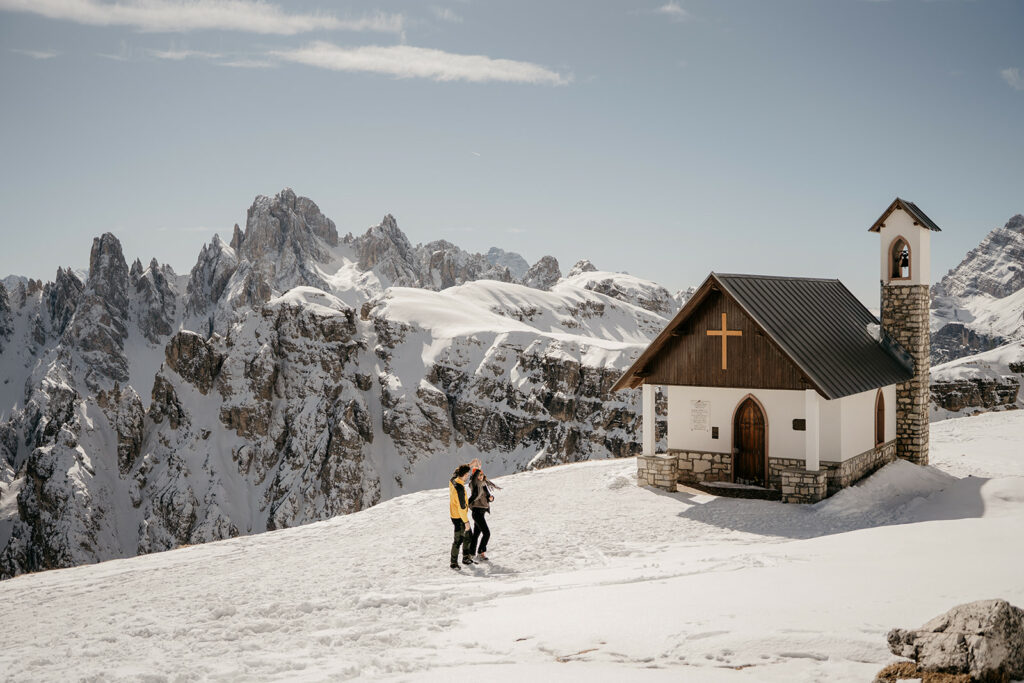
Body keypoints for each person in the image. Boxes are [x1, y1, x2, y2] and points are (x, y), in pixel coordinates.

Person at [448, 465, 475, 569]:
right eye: (467, 474)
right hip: (459, 517)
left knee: (468, 536)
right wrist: (466, 522)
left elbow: (456, 471)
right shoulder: (459, 489)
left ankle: (465, 557)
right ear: (463, 475)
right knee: (459, 539)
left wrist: (470, 465)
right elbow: (462, 508)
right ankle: (454, 563)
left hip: (454, 514)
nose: (468, 476)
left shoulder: (453, 480)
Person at [468, 468, 494, 561]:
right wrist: (477, 469)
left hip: (482, 512)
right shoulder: (474, 484)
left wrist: (491, 498)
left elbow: (488, 496)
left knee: (476, 534)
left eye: (482, 475)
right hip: (477, 512)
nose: (480, 476)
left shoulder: (483, 485)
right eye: (479, 475)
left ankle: (471, 554)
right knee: (486, 533)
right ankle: (480, 552)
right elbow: (474, 479)